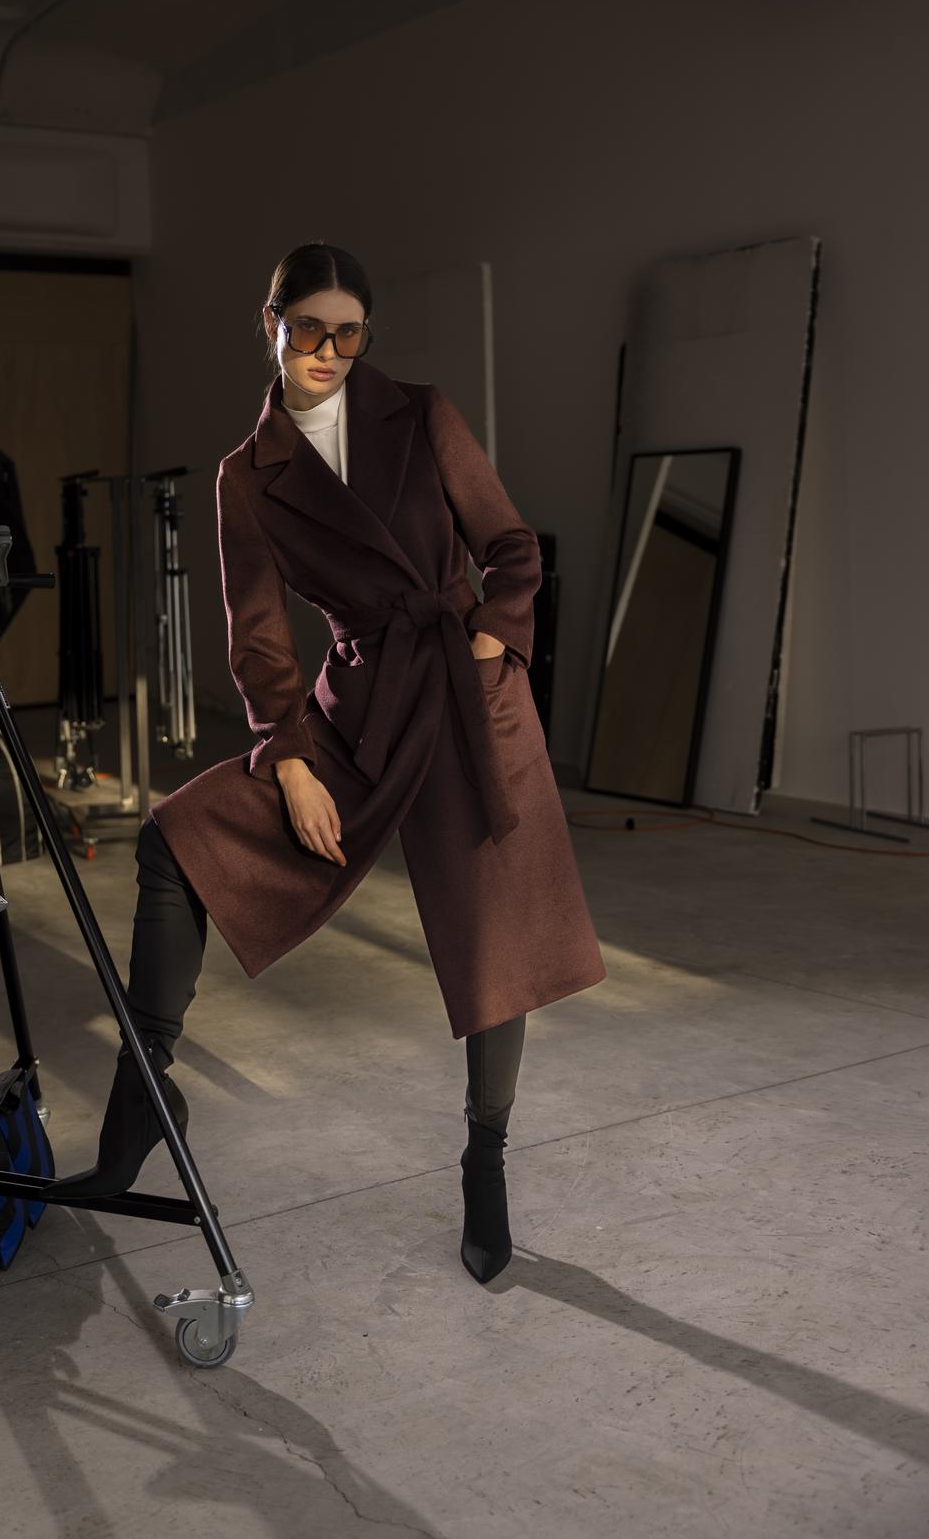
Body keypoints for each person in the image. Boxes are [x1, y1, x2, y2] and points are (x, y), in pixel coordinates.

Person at [60, 243, 607, 1283]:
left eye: (347, 333)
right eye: (307, 326)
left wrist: (492, 637)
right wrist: (291, 759)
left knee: (494, 942)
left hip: (467, 701)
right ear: (270, 323)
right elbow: (260, 635)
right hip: (360, 706)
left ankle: (484, 1158)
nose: (326, 350)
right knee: (178, 842)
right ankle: (144, 1097)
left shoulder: (423, 414)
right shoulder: (246, 475)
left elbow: (512, 546)